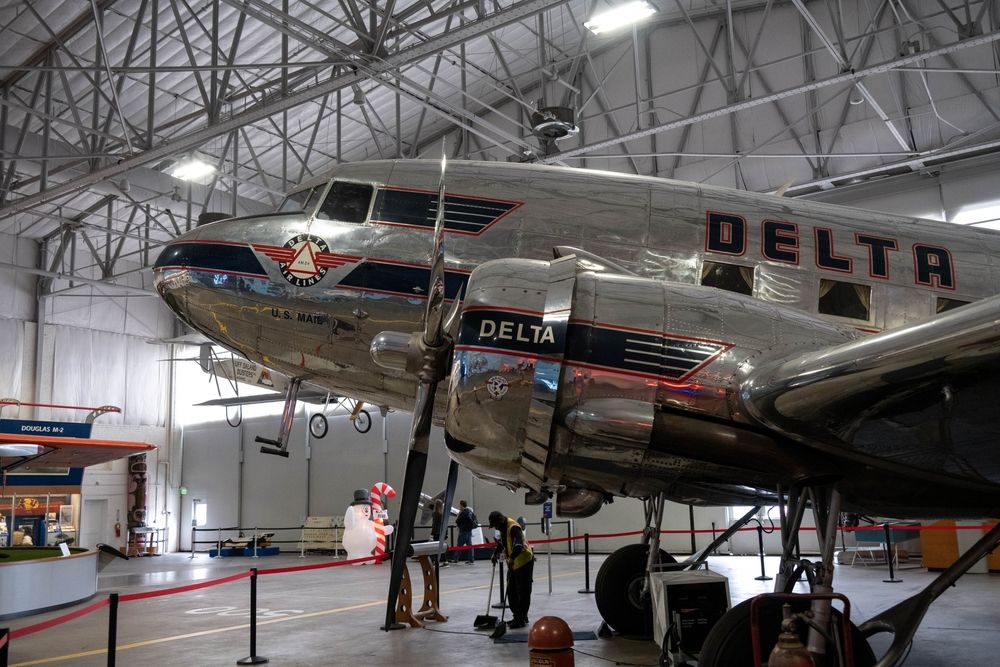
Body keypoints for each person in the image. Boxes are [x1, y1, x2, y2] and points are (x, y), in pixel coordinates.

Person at [489, 510, 534, 629]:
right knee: (512, 590)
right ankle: (518, 616)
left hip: (524, 560)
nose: (496, 528)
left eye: (496, 525)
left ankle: (520, 619)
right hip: (514, 563)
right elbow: (502, 543)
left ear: (501, 520)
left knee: (523, 591)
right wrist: (495, 554)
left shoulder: (513, 527)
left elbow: (518, 545)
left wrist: (512, 558)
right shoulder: (503, 528)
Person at [451, 500, 477, 564]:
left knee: (459, 545)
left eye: (459, 505)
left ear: (462, 505)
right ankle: (471, 559)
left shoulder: (463, 513)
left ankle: (455, 559)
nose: (459, 506)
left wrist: (459, 514)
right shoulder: (470, 511)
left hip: (463, 531)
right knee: (470, 546)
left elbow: (457, 521)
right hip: (469, 531)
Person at [431, 499, 445, 565]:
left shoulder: (435, 513)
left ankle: (433, 561)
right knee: (441, 547)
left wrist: (432, 533)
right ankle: (445, 561)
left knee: (435, 547)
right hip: (442, 532)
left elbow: (434, 524)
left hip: (436, 532)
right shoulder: (442, 513)